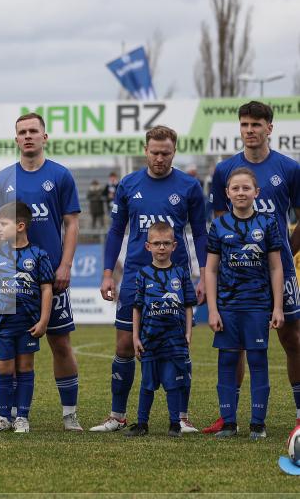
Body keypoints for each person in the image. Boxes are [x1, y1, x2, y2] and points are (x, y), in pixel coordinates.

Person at [93, 125, 207, 433]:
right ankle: (118, 416)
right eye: (154, 152)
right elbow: (116, 230)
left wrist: (205, 277)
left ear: (174, 152)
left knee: (179, 348)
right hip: (134, 278)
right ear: (145, 151)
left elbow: (199, 233)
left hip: (175, 278)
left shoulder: (189, 186)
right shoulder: (129, 184)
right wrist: (107, 273)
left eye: (165, 153)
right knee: (124, 346)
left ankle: (181, 418)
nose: (159, 158)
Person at [203, 100, 300, 434]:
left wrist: (285, 249)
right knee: (235, 344)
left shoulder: (289, 168)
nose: (249, 131)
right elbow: (220, 222)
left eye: (256, 125)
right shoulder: (224, 171)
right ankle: (229, 416)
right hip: (236, 276)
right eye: (244, 125)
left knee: (292, 338)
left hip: (279, 270)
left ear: (269, 128)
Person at [0, 113, 83, 431]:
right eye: (22, 132)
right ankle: (12, 416)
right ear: (16, 139)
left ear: (45, 137)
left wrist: (66, 265)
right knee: (12, 350)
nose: (28, 136)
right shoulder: (3, 179)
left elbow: (71, 223)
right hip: (12, 282)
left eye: (33, 131)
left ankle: (70, 415)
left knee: (60, 343)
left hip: (50, 278)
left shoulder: (60, 176)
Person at [206, 168, 284, 440]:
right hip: (227, 308)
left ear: (256, 192)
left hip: (258, 306)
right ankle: (229, 423)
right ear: (227, 193)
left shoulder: (267, 223)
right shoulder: (218, 226)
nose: (240, 193)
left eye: (246, 188)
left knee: (257, 360)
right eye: (235, 188)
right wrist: (213, 309)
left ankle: (257, 424)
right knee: (227, 360)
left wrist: (277, 307)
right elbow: (211, 270)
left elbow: (276, 267)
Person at [0, 201, 52, 434]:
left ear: (20, 225)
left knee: (25, 367)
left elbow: (46, 289)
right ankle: (3, 417)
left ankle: (22, 417)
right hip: (3, 323)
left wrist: (43, 321)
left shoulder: (39, 255)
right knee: (3, 368)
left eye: (3, 224)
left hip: (28, 323)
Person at [124, 221, 196, 438]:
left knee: (173, 384)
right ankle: (142, 423)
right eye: (157, 243)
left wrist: (188, 332)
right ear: (148, 247)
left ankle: (175, 424)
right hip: (149, 339)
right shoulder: (143, 274)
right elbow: (137, 308)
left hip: (174, 341)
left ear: (174, 245)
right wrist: (136, 337)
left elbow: (188, 305)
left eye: (166, 243)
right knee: (147, 384)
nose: (162, 247)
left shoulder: (181, 273)